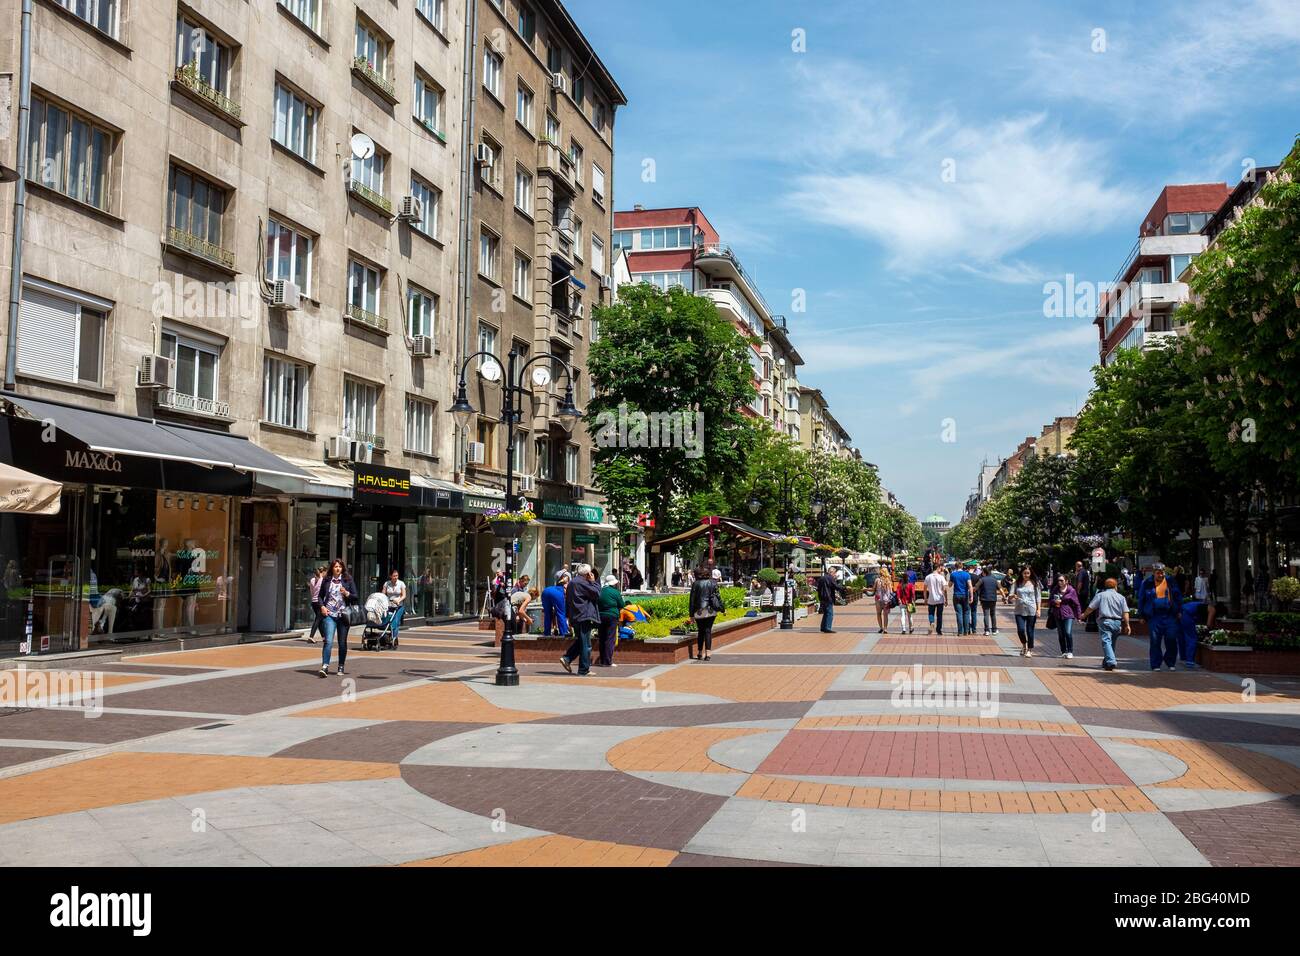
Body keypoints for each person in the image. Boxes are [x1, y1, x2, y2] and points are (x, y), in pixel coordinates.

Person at [1137, 563, 1183, 672]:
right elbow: (1141, 599)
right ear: (1153, 573)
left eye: (1162, 573)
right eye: (1158, 573)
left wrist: (1179, 610)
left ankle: (1170, 661)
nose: (1161, 575)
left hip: (1169, 614)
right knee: (1155, 640)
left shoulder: (1171, 581)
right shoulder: (1147, 583)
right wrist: (1141, 615)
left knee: (1171, 638)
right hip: (1154, 616)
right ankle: (1156, 664)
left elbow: (1178, 596)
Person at [318, 558, 358, 678]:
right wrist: (322, 607)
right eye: (335, 566)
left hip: (343, 615)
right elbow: (319, 596)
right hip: (330, 614)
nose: (337, 568)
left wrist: (346, 593)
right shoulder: (327, 580)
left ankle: (341, 665)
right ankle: (325, 666)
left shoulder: (348, 580)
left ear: (342, 568)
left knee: (342, 643)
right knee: (328, 641)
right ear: (332, 568)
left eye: (339, 567)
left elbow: (355, 596)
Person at [1080, 577, 1130, 671]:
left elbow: (1091, 607)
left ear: (1105, 586)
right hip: (1117, 622)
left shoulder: (1101, 595)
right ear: (1115, 586)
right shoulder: (1121, 597)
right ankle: (1107, 663)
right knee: (1112, 643)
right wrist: (1127, 625)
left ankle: (1111, 661)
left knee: (1106, 641)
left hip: (1105, 621)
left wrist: (1084, 615)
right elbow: (1125, 612)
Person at [560, 564, 601, 676]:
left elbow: (567, 600)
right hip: (584, 616)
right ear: (587, 574)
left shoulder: (572, 583)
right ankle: (583, 670)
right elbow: (597, 593)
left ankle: (567, 658)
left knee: (581, 641)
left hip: (576, 616)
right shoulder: (582, 583)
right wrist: (593, 581)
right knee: (586, 645)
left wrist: (568, 616)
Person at [689, 565, 724, 659]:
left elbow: (692, 600)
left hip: (699, 610)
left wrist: (691, 614)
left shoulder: (695, 584)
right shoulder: (713, 583)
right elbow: (718, 597)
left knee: (700, 631)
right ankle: (708, 653)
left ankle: (700, 652)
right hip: (711, 610)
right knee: (708, 631)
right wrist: (722, 608)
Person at [1049, 572, 1083, 659]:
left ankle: (1070, 651)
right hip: (1057, 614)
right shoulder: (1055, 589)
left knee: (1068, 632)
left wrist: (1079, 616)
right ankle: (1063, 651)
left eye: (1061, 580)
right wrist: (1054, 602)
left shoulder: (1071, 591)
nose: (1059, 582)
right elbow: (1050, 600)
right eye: (1058, 580)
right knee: (1061, 634)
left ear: (1066, 581)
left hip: (1068, 614)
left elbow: (1077, 604)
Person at [1178, 594, 1215, 670]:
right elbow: (1208, 624)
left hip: (1183, 613)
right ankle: (1190, 661)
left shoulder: (1198, 605)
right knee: (1192, 638)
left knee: (1183, 637)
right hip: (1187, 615)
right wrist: (1209, 628)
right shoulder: (1212, 609)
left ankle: (1183, 657)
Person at [597, 574, 627, 667]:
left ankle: (602, 660)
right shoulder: (615, 592)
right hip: (612, 616)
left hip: (600, 616)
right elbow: (622, 604)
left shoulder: (600, 591)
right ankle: (608, 661)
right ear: (613, 583)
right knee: (610, 638)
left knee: (602, 638)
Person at [1012, 567, 1042, 658]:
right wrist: (1012, 596)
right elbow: (1010, 595)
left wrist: (1039, 609)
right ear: (1021, 573)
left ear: (1030, 574)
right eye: (1024, 573)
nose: (1026, 575)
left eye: (1028, 573)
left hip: (1031, 610)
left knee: (1030, 631)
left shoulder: (1035, 584)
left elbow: (1038, 597)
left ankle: (1029, 649)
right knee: (1020, 630)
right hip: (1019, 610)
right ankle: (1024, 645)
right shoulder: (1017, 583)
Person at [382, 569, 407, 646]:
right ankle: (390, 636)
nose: (396, 577)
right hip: (389, 605)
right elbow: (383, 594)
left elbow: (404, 595)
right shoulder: (387, 584)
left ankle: (394, 638)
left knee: (395, 622)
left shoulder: (401, 583)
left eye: (397, 575)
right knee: (387, 621)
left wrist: (399, 600)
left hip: (399, 606)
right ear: (390, 576)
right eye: (394, 576)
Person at [541, 570, 570, 636]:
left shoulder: (557, 580)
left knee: (547, 614)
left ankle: (547, 633)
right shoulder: (566, 584)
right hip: (557, 592)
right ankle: (564, 633)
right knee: (561, 614)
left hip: (546, 591)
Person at [819, 566, 846, 633]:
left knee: (826, 613)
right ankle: (828, 627)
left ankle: (823, 627)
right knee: (830, 613)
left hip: (822, 597)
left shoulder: (822, 578)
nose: (835, 575)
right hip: (828, 597)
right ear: (831, 572)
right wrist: (844, 588)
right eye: (834, 573)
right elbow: (836, 586)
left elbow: (818, 588)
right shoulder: (830, 578)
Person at [924, 565, 948, 635]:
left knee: (931, 613)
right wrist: (946, 599)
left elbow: (925, 589)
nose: (941, 570)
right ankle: (939, 630)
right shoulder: (941, 577)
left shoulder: (928, 577)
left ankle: (932, 622)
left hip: (931, 599)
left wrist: (925, 599)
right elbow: (945, 589)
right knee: (939, 615)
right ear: (937, 568)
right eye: (940, 568)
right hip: (940, 599)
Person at [950, 564, 974, 635]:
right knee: (966, 613)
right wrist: (971, 596)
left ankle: (960, 632)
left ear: (956, 567)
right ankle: (966, 631)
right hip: (965, 595)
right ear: (962, 567)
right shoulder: (967, 574)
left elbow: (949, 585)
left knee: (959, 613)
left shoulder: (953, 574)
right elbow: (970, 586)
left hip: (956, 595)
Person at [977, 566, 1000, 635]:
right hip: (993, 599)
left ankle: (987, 631)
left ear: (984, 572)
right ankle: (994, 630)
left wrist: (970, 591)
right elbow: (1000, 589)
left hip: (984, 599)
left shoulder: (982, 579)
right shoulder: (994, 579)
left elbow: (976, 587)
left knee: (986, 614)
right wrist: (1004, 597)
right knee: (993, 614)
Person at [305, 564, 326, 643]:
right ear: (323, 572)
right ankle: (311, 636)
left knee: (319, 619)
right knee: (318, 620)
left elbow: (311, 591)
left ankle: (324, 637)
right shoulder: (322, 581)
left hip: (313, 602)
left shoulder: (312, 580)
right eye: (325, 572)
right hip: (319, 602)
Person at [873, 567, 893, 634]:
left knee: (878, 613)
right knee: (885, 615)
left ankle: (881, 627)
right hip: (886, 600)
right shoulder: (889, 581)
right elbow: (890, 592)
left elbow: (873, 589)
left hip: (878, 599)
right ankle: (885, 629)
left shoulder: (877, 580)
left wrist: (865, 589)